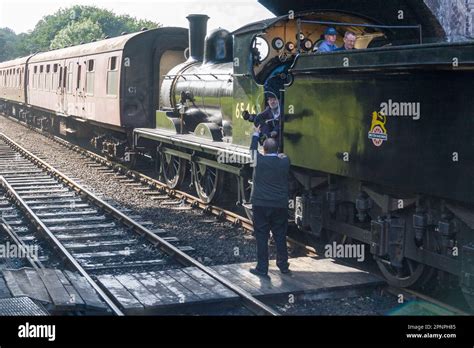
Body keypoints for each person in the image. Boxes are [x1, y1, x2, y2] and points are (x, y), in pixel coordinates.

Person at [248, 127, 290, 277]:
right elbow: (282, 157)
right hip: (279, 205)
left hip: (261, 205)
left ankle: (262, 268)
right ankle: (283, 266)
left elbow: (252, 149)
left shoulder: (258, 160)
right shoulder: (285, 161)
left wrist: (255, 134)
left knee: (261, 236)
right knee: (280, 235)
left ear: (264, 150)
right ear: (277, 150)